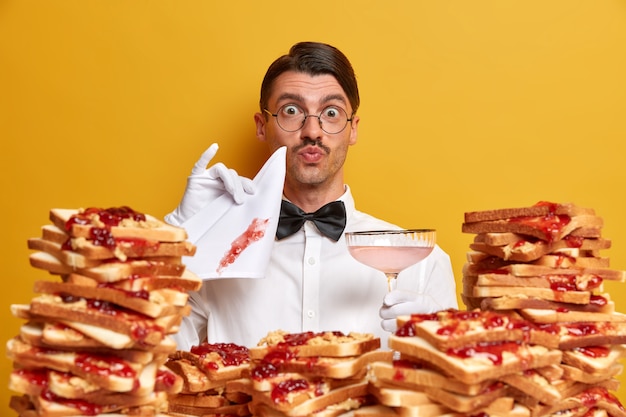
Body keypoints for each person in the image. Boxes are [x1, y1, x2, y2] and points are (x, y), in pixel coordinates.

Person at [165, 41, 458, 350]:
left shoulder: (422, 263)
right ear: (262, 126)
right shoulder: (212, 258)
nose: (313, 131)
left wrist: (443, 343)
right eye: (292, 110)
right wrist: (176, 239)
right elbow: (151, 358)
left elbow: (456, 390)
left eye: (331, 112)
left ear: (353, 129)